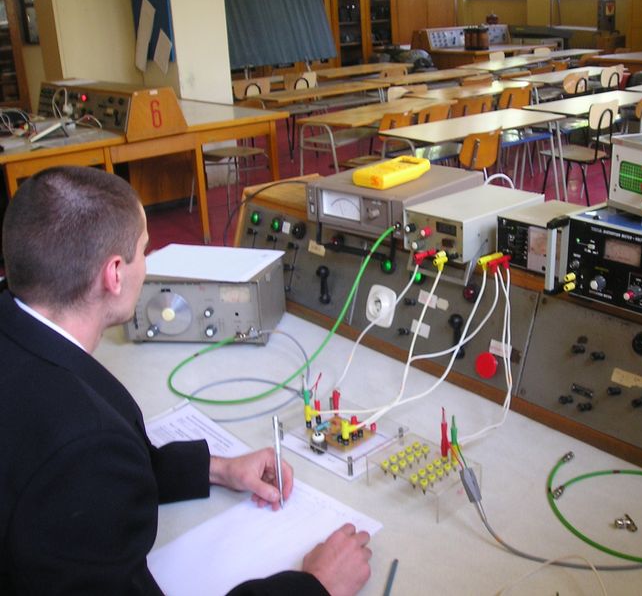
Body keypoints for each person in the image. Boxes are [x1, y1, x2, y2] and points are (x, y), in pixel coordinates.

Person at [0, 166, 372, 595]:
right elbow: (86, 468)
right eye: (145, 249)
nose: (148, 264)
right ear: (114, 273)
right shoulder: (85, 443)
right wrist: (316, 585)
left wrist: (217, 470)